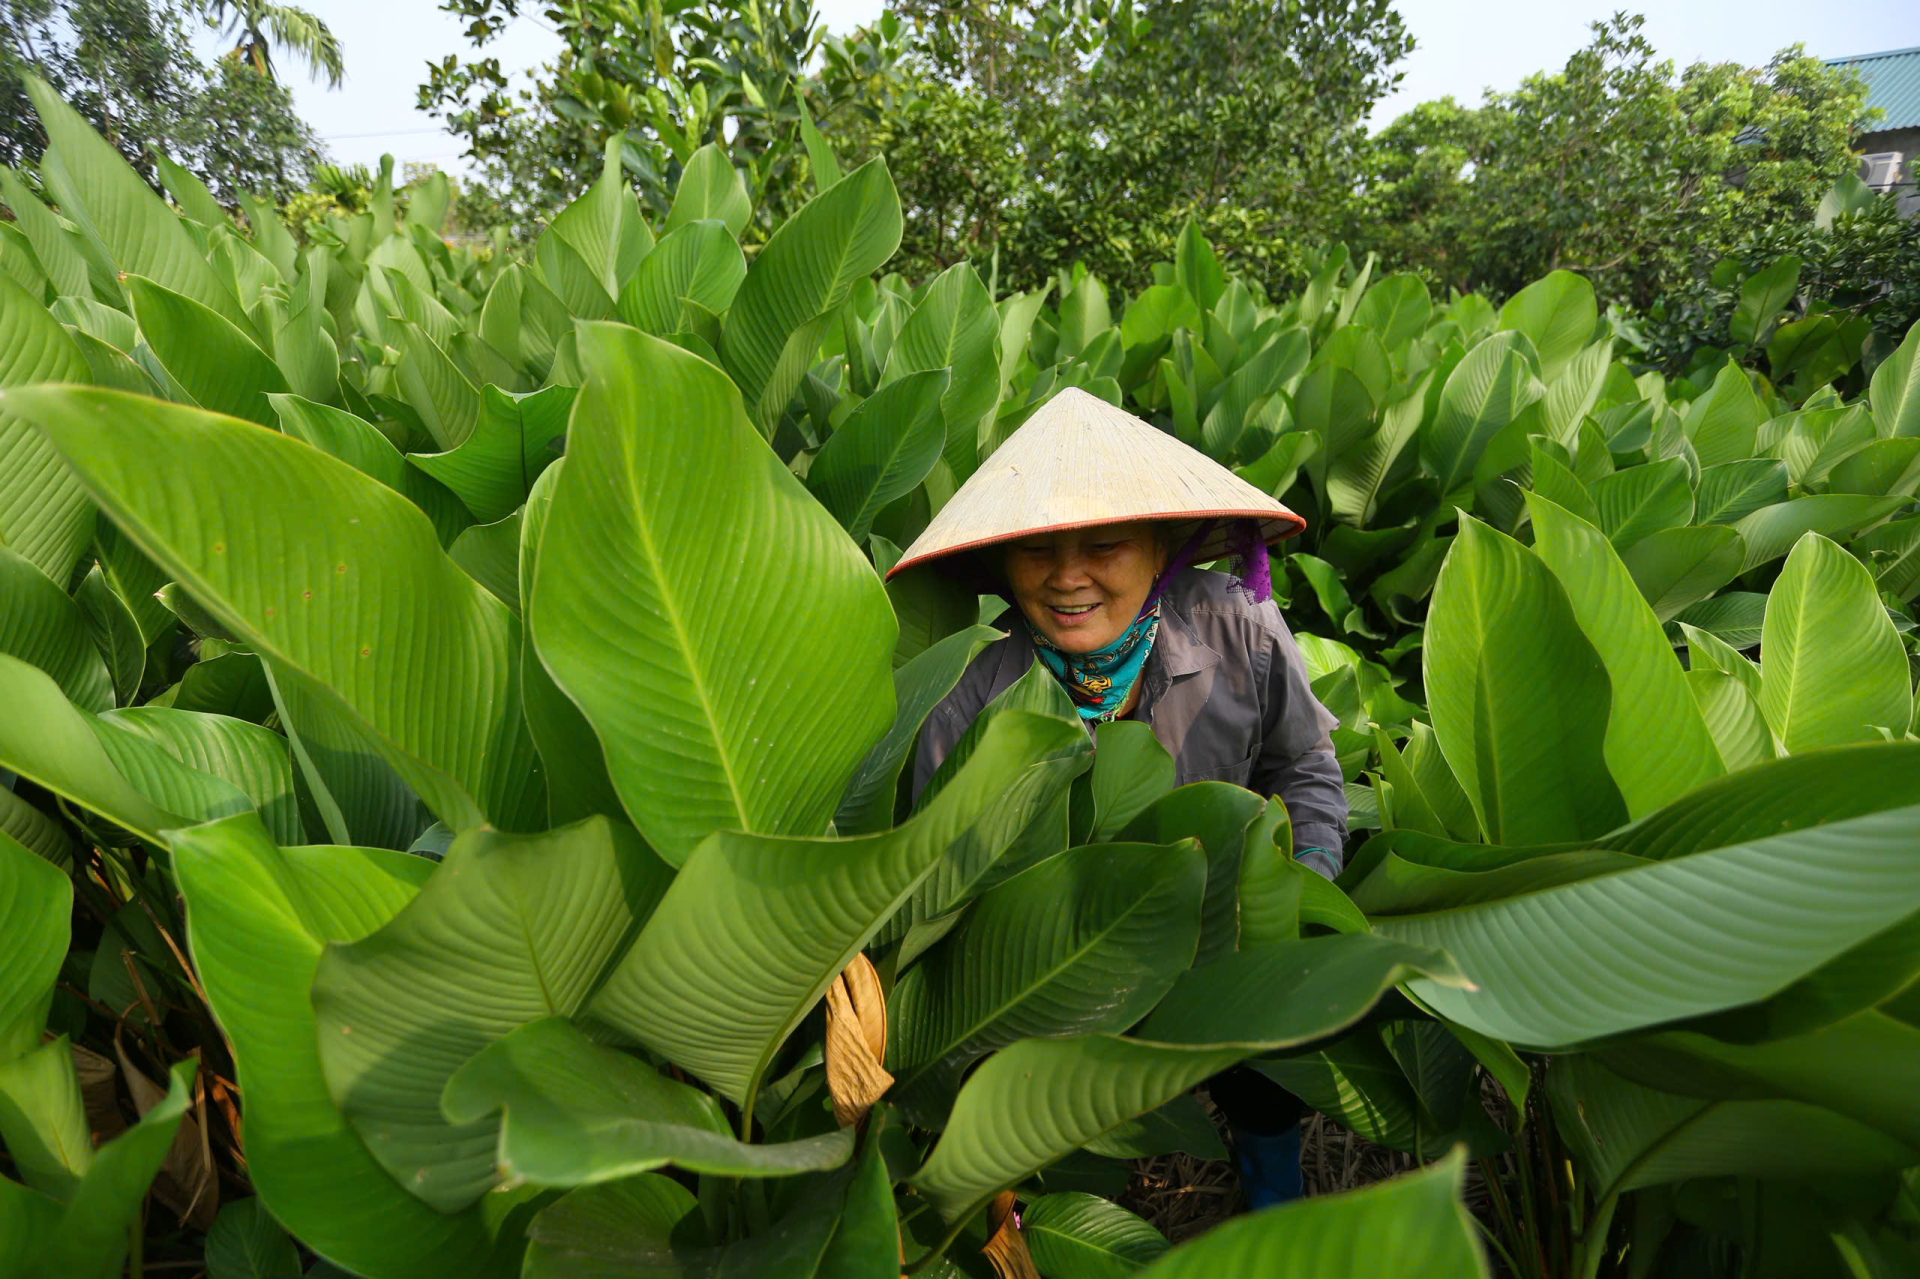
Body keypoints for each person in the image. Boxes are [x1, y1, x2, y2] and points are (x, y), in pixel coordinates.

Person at [888, 387, 1348, 1208]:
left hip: (1220, 934)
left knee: (1271, 1052)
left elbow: (1304, 762)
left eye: (1103, 545)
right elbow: (941, 892)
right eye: (1038, 552)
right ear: (1002, 562)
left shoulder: (1240, 627)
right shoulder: (969, 696)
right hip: (1055, 969)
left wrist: (1305, 883)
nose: (1068, 578)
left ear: (1163, 547)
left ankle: (1273, 1198)